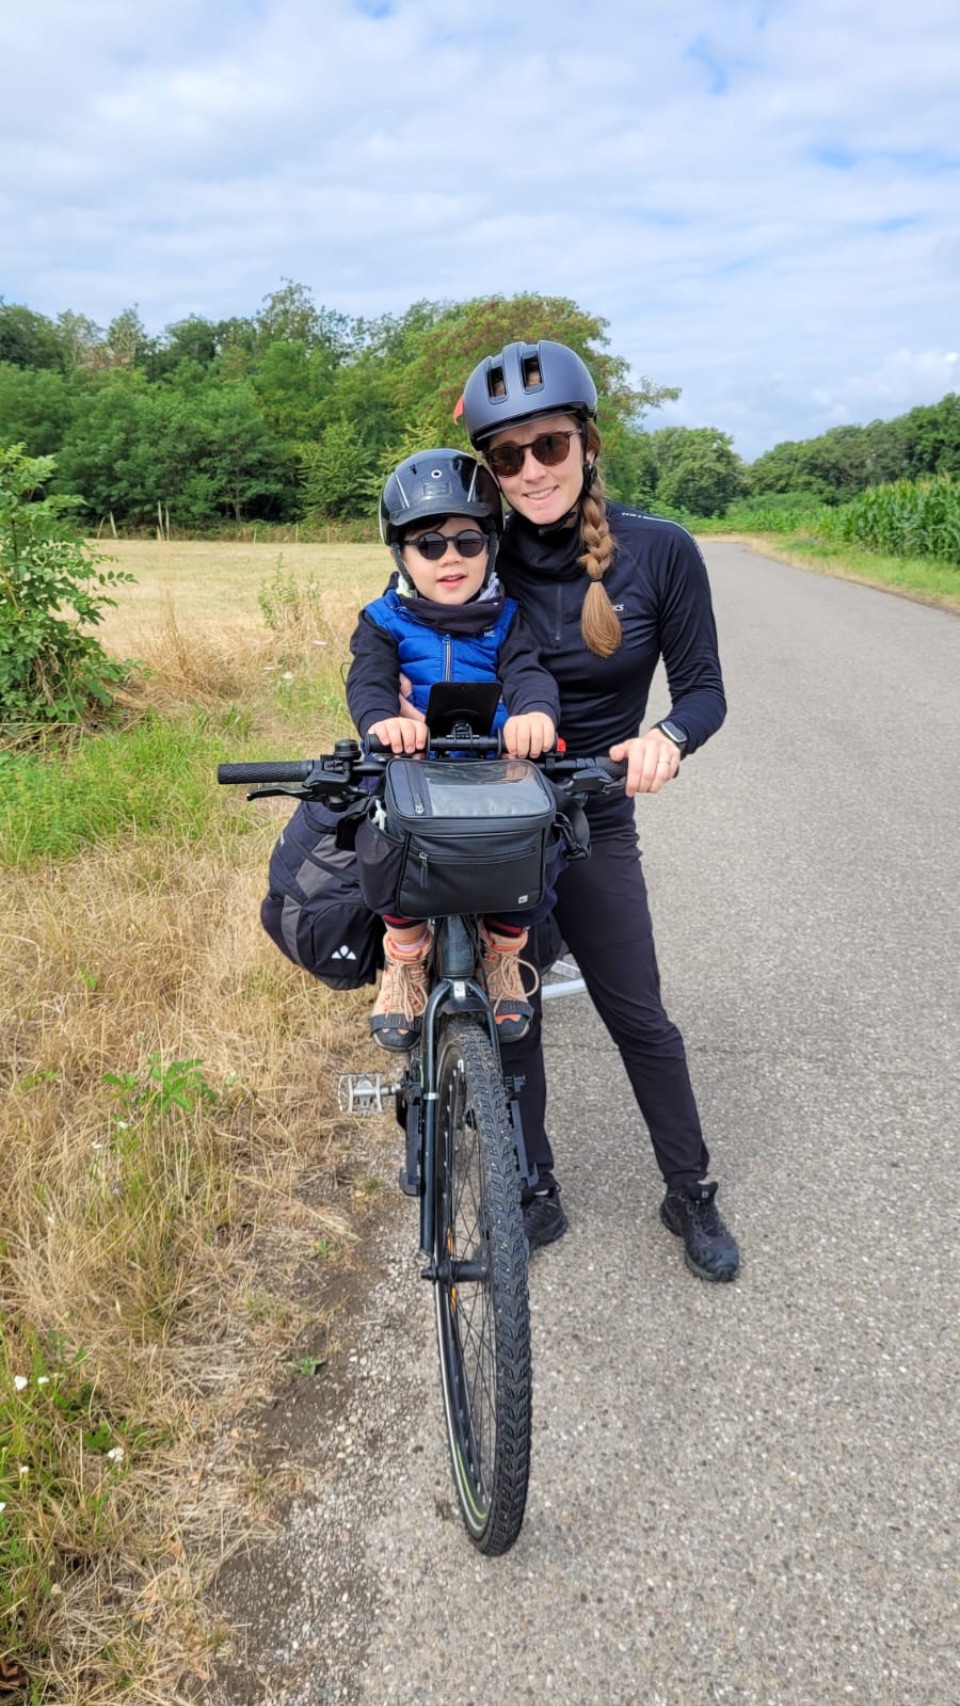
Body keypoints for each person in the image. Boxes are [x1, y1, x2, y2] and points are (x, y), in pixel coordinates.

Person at [444, 338, 740, 1283]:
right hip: (493, 817)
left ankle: (688, 1191)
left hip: (592, 814)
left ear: (587, 444)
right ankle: (532, 1187)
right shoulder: (474, 557)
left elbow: (703, 690)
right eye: (508, 455)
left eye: (550, 446)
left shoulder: (659, 551)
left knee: (638, 1014)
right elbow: (401, 641)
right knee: (510, 1012)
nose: (531, 470)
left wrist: (670, 739)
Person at [345, 448, 560, 1053]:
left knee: (543, 842)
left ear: (491, 546)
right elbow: (368, 677)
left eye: (468, 542)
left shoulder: (508, 619)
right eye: (429, 545)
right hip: (414, 770)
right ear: (401, 554)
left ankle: (503, 954)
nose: (450, 559)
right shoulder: (383, 620)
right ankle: (406, 960)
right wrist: (384, 719)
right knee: (379, 841)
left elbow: (528, 675)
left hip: (493, 769)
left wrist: (534, 715)